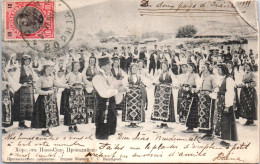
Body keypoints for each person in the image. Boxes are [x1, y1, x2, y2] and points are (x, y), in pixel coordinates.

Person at [92, 57, 127, 140]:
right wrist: (117, 90)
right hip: (103, 110)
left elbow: (113, 88)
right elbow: (104, 93)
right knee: (102, 135)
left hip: (111, 108)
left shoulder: (108, 76)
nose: (110, 67)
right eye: (108, 65)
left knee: (110, 133)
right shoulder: (97, 77)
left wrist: (120, 87)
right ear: (102, 66)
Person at [31, 62, 70, 136]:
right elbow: (38, 90)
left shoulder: (51, 78)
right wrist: (47, 92)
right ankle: (44, 130)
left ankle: (48, 129)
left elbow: (57, 84)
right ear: (44, 70)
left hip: (51, 99)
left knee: (50, 114)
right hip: (43, 99)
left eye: (50, 70)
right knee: (43, 115)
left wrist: (66, 86)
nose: (49, 72)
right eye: (48, 70)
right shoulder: (40, 79)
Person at [62, 61, 91, 132]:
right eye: (75, 66)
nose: (76, 67)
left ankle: (75, 125)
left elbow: (85, 81)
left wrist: (93, 84)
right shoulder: (69, 74)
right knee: (72, 109)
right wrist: (69, 85)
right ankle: (70, 126)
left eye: (78, 66)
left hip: (80, 95)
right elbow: (63, 82)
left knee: (79, 110)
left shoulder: (81, 74)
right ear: (72, 67)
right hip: (72, 94)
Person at [214, 64, 238, 146]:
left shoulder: (229, 80)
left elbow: (230, 93)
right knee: (222, 120)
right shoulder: (221, 79)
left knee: (227, 121)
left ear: (224, 70)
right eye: (217, 70)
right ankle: (223, 137)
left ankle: (227, 139)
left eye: (219, 70)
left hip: (226, 103)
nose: (218, 71)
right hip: (221, 102)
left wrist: (227, 106)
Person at [152, 62, 177, 128]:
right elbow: (155, 80)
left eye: (165, 66)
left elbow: (175, 81)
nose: (164, 67)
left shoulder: (170, 74)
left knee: (167, 106)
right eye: (162, 66)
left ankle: (166, 123)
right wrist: (156, 83)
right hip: (160, 93)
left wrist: (173, 85)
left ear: (167, 67)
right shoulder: (160, 74)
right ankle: (162, 122)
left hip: (167, 93)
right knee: (161, 107)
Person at [122, 63, 148, 128]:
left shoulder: (140, 77)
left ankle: (135, 122)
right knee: (130, 108)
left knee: (137, 108)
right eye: (133, 68)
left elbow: (148, 83)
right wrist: (127, 88)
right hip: (130, 95)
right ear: (131, 69)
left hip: (137, 95)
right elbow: (124, 84)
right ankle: (130, 122)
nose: (134, 70)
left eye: (135, 68)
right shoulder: (128, 77)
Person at [13, 54, 35, 129]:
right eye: (26, 61)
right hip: (22, 90)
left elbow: (34, 78)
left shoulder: (30, 69)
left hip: (29, 89)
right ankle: (21, 122)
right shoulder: (19, 69)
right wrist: (22, 84)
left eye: (28, 61)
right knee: (22, 105)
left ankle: (28, 122)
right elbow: (15, 80)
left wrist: (33, 82)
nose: (27, 62)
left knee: (29, 105)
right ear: (23, 62)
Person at [197, 62, 217, 140]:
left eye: (204, 68)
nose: (203, 69)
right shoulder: (202, 77)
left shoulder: (212, 77)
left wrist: (210, 93)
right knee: (203, 115)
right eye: (202, 68)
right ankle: (204, 131)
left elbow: (215, 87)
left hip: (208, 98)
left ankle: (209, 132)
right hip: (202, 98)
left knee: (208, 115)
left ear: (208, 68)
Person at [179, 63, 200, 133]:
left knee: (192, 111)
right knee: (186, 110)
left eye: (190, 67)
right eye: (188, 67)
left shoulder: (196, 75)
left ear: (193, 68)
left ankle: (191, 127)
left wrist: (194, 90)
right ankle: (188, 126)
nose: (189, 68)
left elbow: (198, 85)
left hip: (192, 95)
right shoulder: (188, 75)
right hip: (186, 94)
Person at [2, 57, 19, 133]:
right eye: (1, 63)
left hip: (6, 92)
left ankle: (3, 127)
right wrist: (5, 84)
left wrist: (12, 87)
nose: (2, 65)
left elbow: (10, 80)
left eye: (3, 64)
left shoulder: (5, 71)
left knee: (6, 109)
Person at [83, 54, 99, 123]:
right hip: (89, 84)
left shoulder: (96, 68)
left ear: (95, 61)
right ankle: (88, 111)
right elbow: (83, 76)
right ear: (89, 61)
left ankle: (94, 113)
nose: (92, 62)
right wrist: (88, 82)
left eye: (93, 61)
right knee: (88, 96)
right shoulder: (86, 68)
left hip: (95, 84)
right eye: (91, 61)